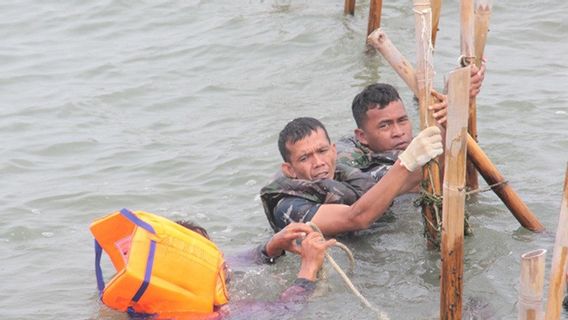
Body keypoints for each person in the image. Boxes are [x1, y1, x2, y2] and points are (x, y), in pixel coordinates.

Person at [91, 209, 335, 319]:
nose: (224, 263)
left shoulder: (145, 303)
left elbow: (236, 261)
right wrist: (308, 271)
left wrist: (270, 247)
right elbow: (286, 310)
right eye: (212, 258)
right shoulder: (222, 314)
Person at [260, 117, 443, 236]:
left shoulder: (348, 176)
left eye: (322, 151)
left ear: (334, 151)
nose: (318, 162)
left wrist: (449, 120)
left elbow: (413, 179)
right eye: (304, 158)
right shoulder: (288, 206)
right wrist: (406, 161)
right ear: (289, 170)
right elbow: (356, 218)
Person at [336, 64, 485, 185]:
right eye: (384, 126)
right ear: (362, 136)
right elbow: (414, 176)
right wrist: (457, 104)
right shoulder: (346, 157)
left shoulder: (408, 142)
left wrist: (457, 88)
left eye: (402, 121)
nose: (398, 132)